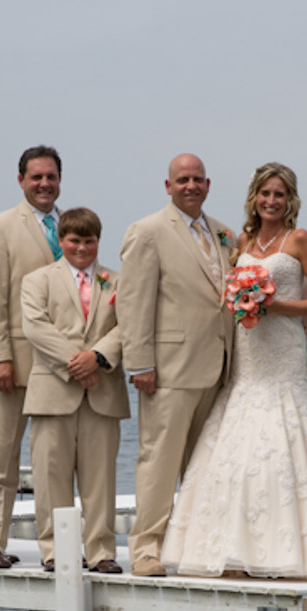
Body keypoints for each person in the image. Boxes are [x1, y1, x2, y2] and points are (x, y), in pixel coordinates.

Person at [159, 162, 307, 579]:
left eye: (279, 194)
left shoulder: (299, 240)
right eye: (265, 193)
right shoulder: (241, 239)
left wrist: (276, 306)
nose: (271, 201)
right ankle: (231, 546)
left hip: (282, 346)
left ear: (290, 200)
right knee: (239, 440)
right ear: (254, 197)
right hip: (248, 348)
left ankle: (286, 550)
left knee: (281, 439)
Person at [116, 154, 236, 578]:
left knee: (205, 466)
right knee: (159, 462)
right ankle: (146, 548)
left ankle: (198, 545)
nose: (191, 186)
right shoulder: (148, 232)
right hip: (167, 369)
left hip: (219, 368)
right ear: (168, 186)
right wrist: (140, 364)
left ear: (208, 184)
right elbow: (132, 302)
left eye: (197, 179)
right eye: (182, 179)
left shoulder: (224, 233)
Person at [0, 146, 64, 569]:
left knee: (52, 463)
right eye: (36, 177)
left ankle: (55, 550)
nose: (44, 184)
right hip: (16, 361)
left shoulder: (72, 226)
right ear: (21, 180)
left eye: (51, 176)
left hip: (61, 367)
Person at [20, 208, 127, 574]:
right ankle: (55, 551)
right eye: (74, 240)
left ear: (99, 241)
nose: (82, 248)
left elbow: (129, 325)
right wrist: (77, 362)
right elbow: (36, 328)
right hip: (54, 391)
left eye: (89, 241)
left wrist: (97, 357)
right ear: (61, 240)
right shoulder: (37, 281)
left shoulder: (117, 281)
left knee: (100, 479)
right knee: (52, 478)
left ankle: (101, 551)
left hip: (102, 393)